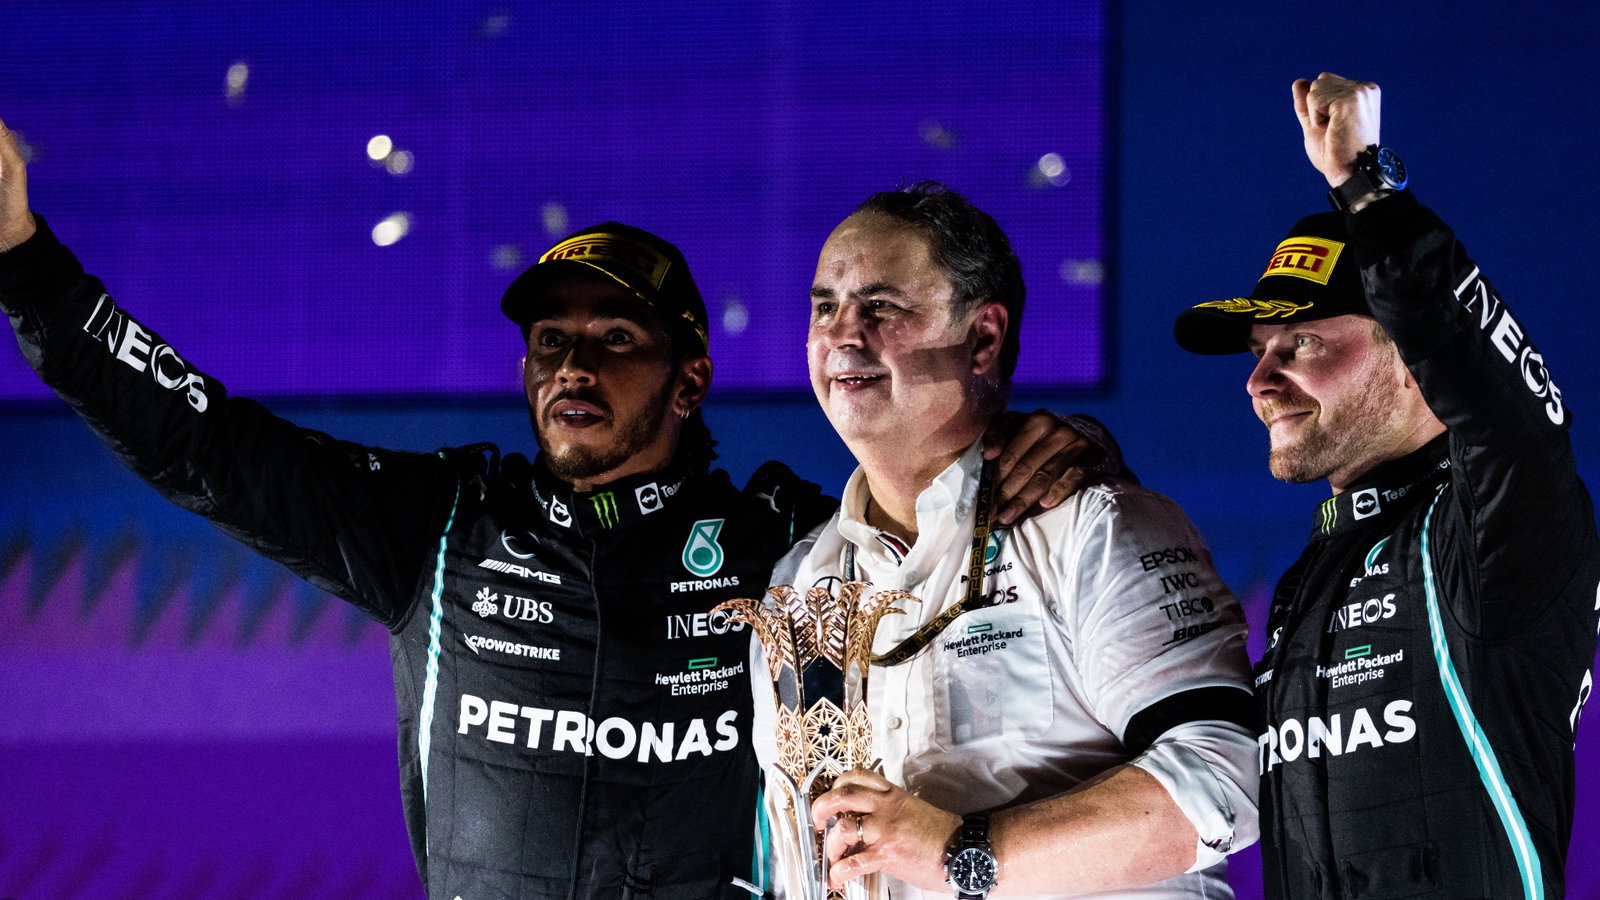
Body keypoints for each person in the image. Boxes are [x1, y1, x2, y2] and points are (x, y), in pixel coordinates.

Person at [0, 118, 1098, 899]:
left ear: (689, 377)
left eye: (616, 341)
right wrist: (24, 263)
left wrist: (1062, 446)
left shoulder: (787, 544)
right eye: (551, 342)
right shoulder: (439, 526)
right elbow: (201, 441)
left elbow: (935, 509)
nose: (574, 365)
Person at [755, 181, 1258, 900]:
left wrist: (963, 854)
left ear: (983, 338)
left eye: (881, 307)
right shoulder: (798, 585)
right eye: (824, 307)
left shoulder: (1094, 527)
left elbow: (1230, 772)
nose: (842, 333)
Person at [1171, 73, 1600, 899]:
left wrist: (1365, 188)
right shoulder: (1311, 573)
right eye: (1259, 351)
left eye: (1299, 343)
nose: (1260, 380)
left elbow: (1515, 413)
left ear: (1409, 352)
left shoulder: (1492, 532)